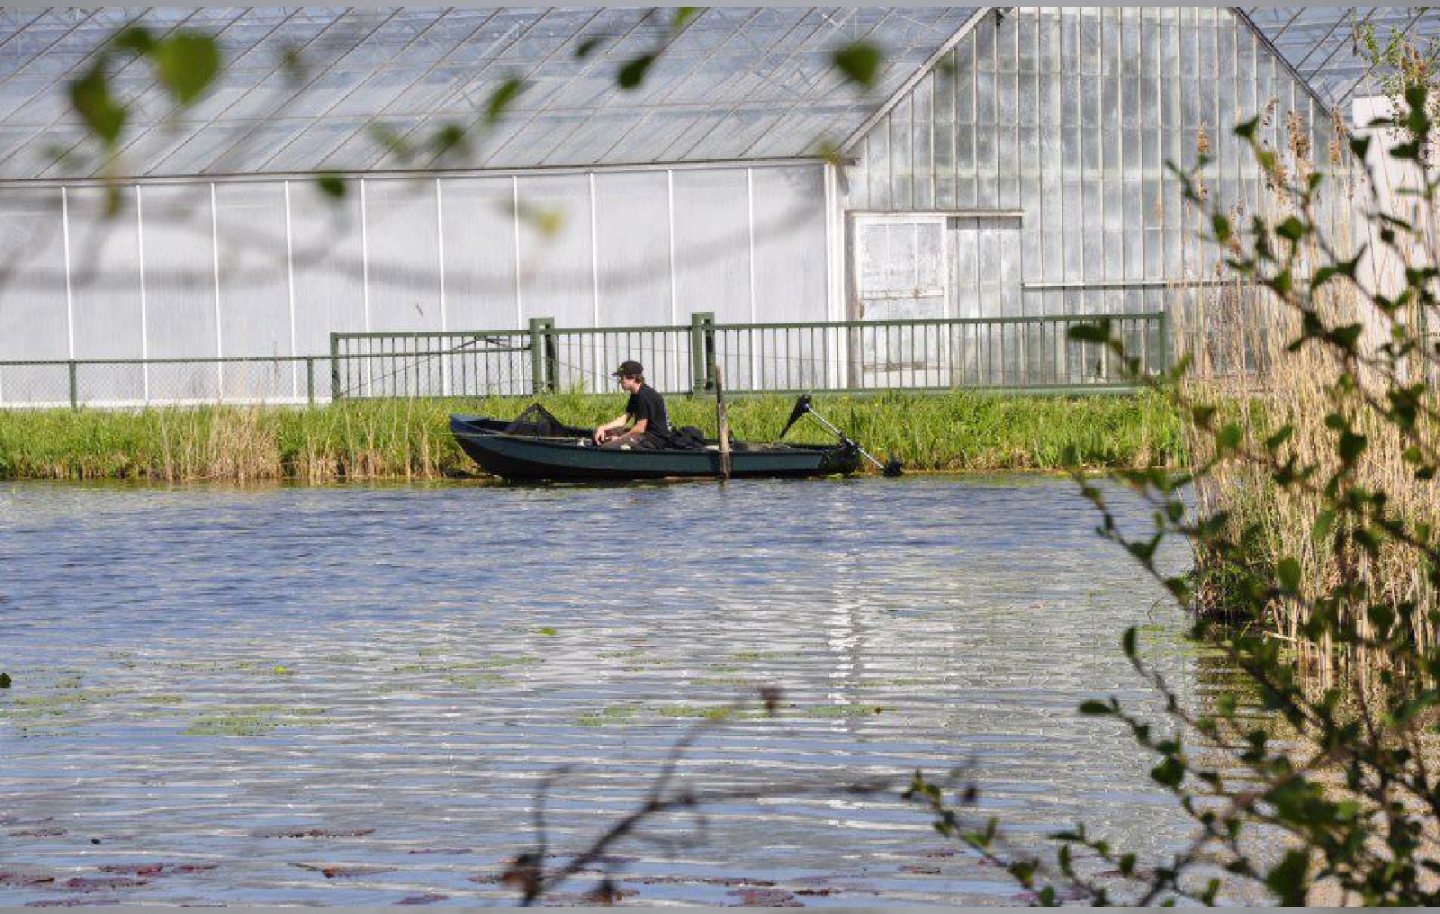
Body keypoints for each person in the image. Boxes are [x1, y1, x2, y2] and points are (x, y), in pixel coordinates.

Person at [593, 360, 669, 448]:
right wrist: (603, 427)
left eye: (622, 378)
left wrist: (619, 438)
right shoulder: (635, 394)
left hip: (654, 439)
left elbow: (640, 428)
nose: (620, 381)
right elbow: (624, 419)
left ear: (632, 377)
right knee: (602, 433)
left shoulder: (644, 395)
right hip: (643, 434)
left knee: (606, 447)